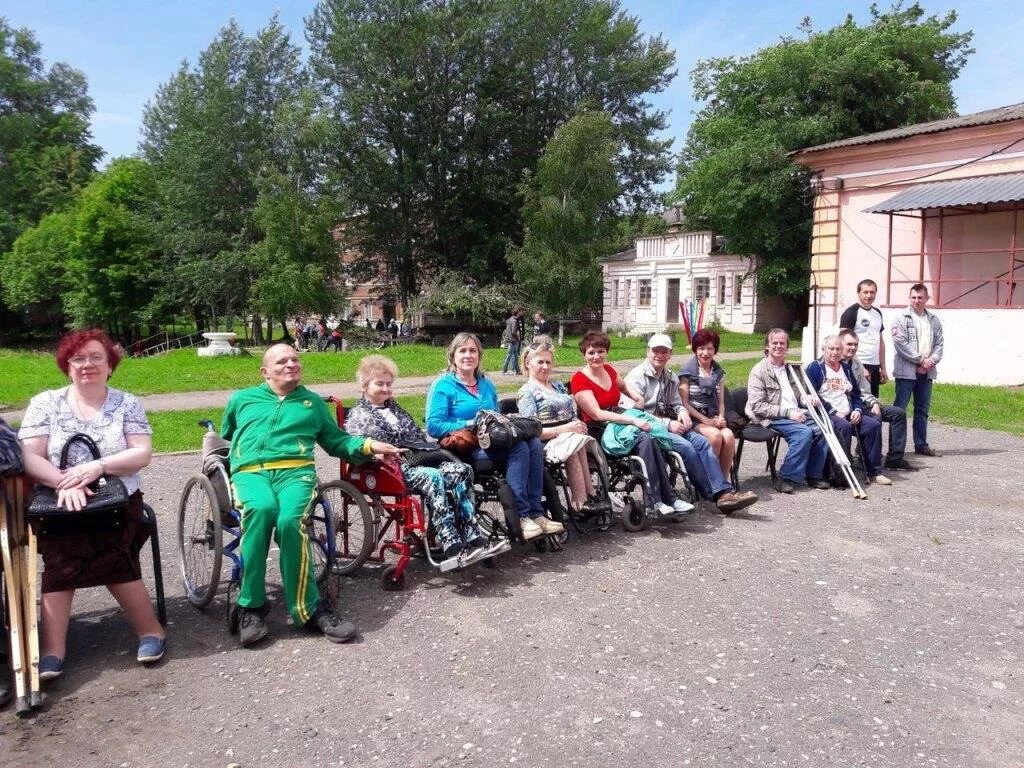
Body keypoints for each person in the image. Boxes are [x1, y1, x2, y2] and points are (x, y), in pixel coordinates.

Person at [221, 344, 402, 647]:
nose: (291, 364)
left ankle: (309, 609)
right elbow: (228, 433)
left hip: (295, 471)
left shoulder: (311, 403)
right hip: (250, 472)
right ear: (265, 372)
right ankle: (250, 606)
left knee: (291, 521)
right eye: (282, 361)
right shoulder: (241, 399)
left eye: (295, 359)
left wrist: (370, 447)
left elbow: (337, 442)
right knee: (260, 511)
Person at [18, 329, 165, 680]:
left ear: (110, 365)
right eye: (79, 358)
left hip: (117, 499)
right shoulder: (46, 403)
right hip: (59, 502)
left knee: (104, 540)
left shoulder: (126, 403)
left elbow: (141, 453)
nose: (88, 365)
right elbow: (28, 456)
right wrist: (61, 481)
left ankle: (148, 632)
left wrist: (96, 467)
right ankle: (59, 648)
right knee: (66, 547)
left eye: (96, 357)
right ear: (66, 366)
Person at [345, 355, 500, 560]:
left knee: (462, 470)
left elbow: (417, 438)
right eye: (379, 383)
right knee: (433, 477)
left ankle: (470, 531)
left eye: (389, 384)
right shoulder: (359, 415)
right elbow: (359, 446)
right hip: (390, 467)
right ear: (365, 385)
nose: (385, 388)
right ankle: (448, 537)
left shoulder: (395, 409)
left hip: (415, 459)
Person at [427, 332, 561, 541]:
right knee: (519, 449)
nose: (468, 355)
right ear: (453, 356)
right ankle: (522, 517)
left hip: (489, 441)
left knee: (533, 442)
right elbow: (434, 426)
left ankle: (536, 513)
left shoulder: (486, 385)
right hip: (464, 448)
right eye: (463, 351)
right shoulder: (443, 385)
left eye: (473, 351)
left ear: (479, 356)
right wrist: (472, 423)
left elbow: (495, 415)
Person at [627, 333, 758, 513]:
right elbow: (634, 413)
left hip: (671, 424)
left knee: (704, 443)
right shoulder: (636, 377)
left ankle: (723, 492)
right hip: (650, 429)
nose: (659, 355)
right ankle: (715, 494)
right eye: (655, 351)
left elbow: (677, 403)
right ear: (647, 351)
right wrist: (667, 423)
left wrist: (682, 413)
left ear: (670, 354)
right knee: (688, 447)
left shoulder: (670, 376)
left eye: (664, 351)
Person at [570, 330, 691, 518]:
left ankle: (666, 499)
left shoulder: (609, 370)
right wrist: (633, 419)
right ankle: (659, 500)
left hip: (618, 421)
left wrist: (636, 397)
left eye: (601, 351)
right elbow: (597, 414)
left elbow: (624, 386)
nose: (596, 356)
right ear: (584, 354)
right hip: (598, 429)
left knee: (650, 438)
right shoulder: (579, 379)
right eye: (591, 352)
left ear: (607, 352)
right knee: (643, 437)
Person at [517, 340, 602, 514]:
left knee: (579, 441)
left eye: (548, 362)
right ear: (528, 363)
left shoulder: (557, 386)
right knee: (571, 445)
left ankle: (591, 494)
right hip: (545, 439)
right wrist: (566, 430)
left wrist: (577, 425)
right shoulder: (527, 392)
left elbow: (570, 413)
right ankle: (580, 501)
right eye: (540, 362)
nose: (545, 366)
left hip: (569, 435)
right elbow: (531, 430)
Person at [745, 329, 830, 494]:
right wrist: (788, 413)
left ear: (787, 347)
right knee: (803, 433)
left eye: (782, 343)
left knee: (823, 428)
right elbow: (757, 406)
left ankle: (813, 474)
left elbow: (800, 394)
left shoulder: (793, 368)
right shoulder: (759, 371)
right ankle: (786, 477)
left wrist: (806, 399)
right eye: (774, 343)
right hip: (770, 416)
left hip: (796, 412)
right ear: (767, 347)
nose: (778, 346)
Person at [805, 335, 891, 486]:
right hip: (827, 413)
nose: (835, 352)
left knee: (873, 426)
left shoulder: (845, 368)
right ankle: (839, 473)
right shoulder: (815, 368)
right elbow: (812, 395)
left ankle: (874, 472)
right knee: (843, 426)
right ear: (823, 349)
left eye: (838, 349)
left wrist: (857, 409)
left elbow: (856, 394)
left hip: (849, 412)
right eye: (831, 348)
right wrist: (832, 411)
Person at [838, 328, 914, 472]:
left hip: (863, 403)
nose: (853, 348)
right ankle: (864, 458)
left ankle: (894, 459)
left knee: (897, 413)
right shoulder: (834, 363)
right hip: (848, 407)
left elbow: (865, 390)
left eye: (855, 345)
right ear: (840, 343)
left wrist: (873, 402)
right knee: (875, 418)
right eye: (849, 344)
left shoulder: (856, 363)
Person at [891, 283, 944, 457]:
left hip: (926, 373)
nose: (916, 300)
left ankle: (921, 445)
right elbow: (900, 344)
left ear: (927, 299)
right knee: (899, 410)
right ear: (909, 298)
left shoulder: (933, 320)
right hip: (906, 372)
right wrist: (921, 360)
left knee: (922, 410)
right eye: (913, 297)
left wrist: (929, 363)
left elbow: (939, 345)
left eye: (920, 297)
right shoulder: (901, 318)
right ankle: (895, 449)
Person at [678, 328, 734, 478]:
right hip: (695, 419)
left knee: (728, 436)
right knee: (715, 436)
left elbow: (721, 402)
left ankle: (723, 482)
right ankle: (707, 481)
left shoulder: (718, 372)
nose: (705, 353)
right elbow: (684, 403)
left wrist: (721, 417)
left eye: (710, 348)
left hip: (713, 417)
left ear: (715, 350)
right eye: (701, 348)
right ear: (695, 350)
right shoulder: (686, 372)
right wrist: (707, 421)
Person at [839, 279, 888, 396]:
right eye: (865, 292)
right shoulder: (851, 313)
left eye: (872, 292)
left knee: (873, 400)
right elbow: (843, 342)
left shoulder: (877, 313)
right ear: (858, 293)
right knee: (857, 399)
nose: (869, 295)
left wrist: (883, 367)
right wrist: (860, 367)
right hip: (857, 363)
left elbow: (880, 341)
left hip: (874, 365)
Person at [501, 308, 525, 375]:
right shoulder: (514, 321)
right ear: (518, 313)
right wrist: (518, 338)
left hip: (510, 340)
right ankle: (504, 370)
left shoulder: (510, 319)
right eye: (520, 312)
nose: (521, 313)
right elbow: (513, 332)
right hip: (513, 341)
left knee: (515, 355)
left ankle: (517, 370)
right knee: (509, 355)